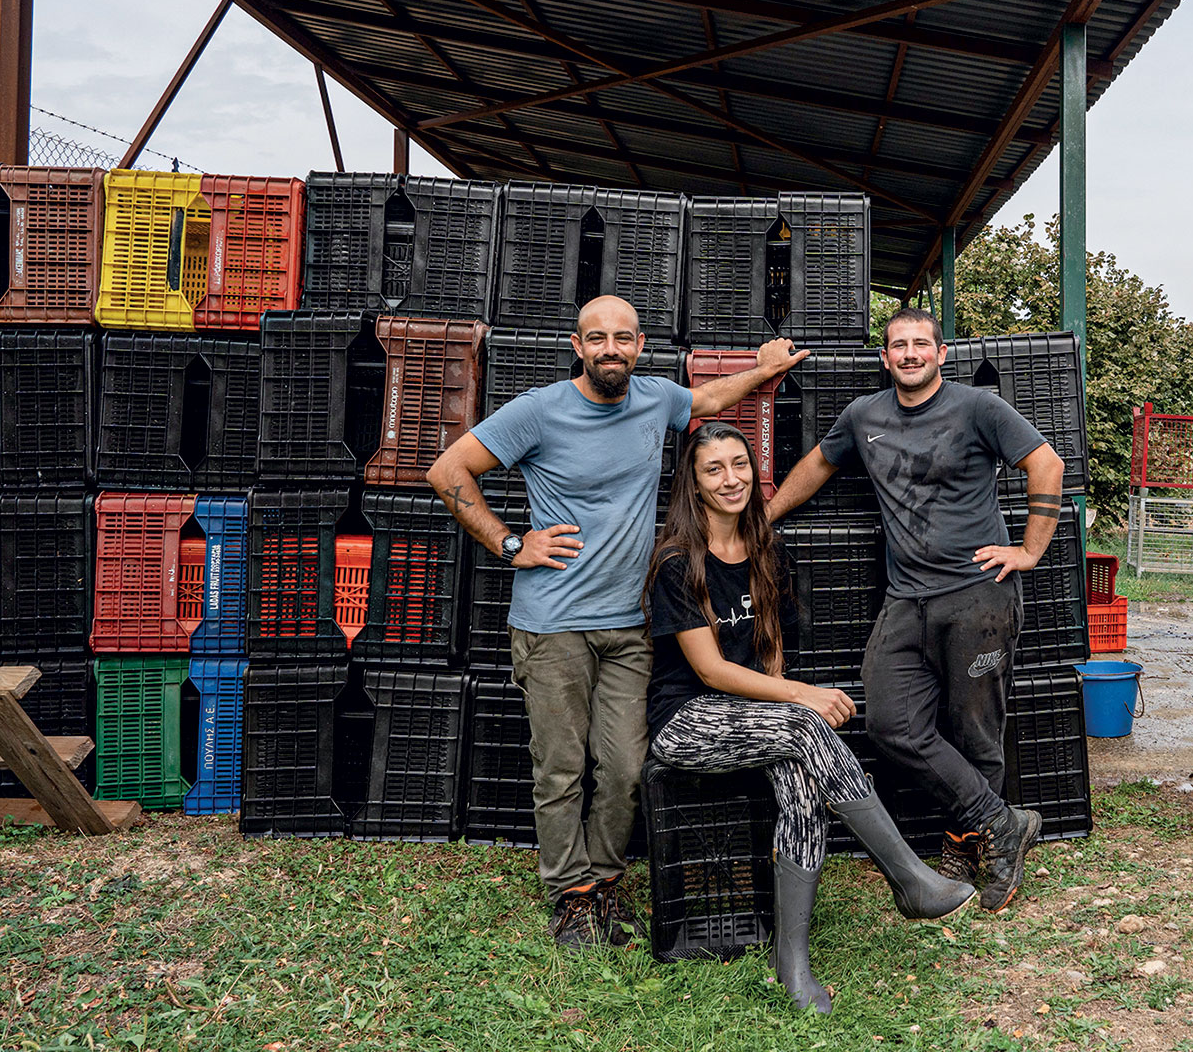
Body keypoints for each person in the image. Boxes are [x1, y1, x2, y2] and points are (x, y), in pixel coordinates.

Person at [427, 295, 809, 949]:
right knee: (561, 767)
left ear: (638, 347)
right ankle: (571, 896)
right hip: (552, 625)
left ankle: (602, 880)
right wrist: (511, 544)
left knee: (627, 766)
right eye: (597, 338)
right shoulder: (540, 411)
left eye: (624, 338)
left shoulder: (655, 399)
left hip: (631, 627)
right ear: (578, 346)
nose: (611, 348)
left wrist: (765, 365)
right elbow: (447, 469)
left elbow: (711, 402)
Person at [645, 420, 975, 1011]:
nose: (731, 479)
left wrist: (786, 697)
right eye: (713, 470)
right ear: (693, 486)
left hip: (755, 720)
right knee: (806, 722)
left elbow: (771, 655)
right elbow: (710, 671)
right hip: (686, 722)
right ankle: (907, 876)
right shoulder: (677, 562)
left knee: (801, 778)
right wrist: (801, 697)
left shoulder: (770, 553)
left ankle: (790, 960)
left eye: (739, 465)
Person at [768, 307, 1065, 913]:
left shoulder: (977, 408)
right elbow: (818, 465)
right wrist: (762, 517)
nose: (909, 354)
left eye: (919, 345)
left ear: (941, 353)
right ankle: (1001, 822)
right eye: (897, 346)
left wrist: (1030, 550)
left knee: (975, 727)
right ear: (885, 358)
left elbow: (1047, 463)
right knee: (890, 724)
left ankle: (971, 843)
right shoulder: (865, 416)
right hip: (907, 596)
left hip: (978, 593)